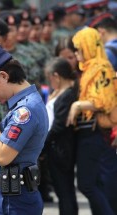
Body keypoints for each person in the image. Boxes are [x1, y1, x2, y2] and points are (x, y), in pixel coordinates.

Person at [0, 45, 49, 215]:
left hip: (14, 200)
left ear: (4, 76)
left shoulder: (25, 111)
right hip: (10, 196)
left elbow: (3, 156)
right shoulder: (22, 105)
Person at [67, 27, 116, 215]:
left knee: (87, 185)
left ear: (88, 47)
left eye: (79, 49)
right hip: (89, 132)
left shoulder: (100, 68)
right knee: (95, 183)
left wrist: (78, 106)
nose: (76, 54)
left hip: (95, 131)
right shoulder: (90, 68)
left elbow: (104, 100)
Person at [44, 57, 78, 215]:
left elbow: (58, 126)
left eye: (50, 78)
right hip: (56, 148)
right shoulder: (60, 94)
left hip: (60, 149)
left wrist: (42, 143)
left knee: (64, 191)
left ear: (56, 76)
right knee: (64, 191)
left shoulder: (67, 95)